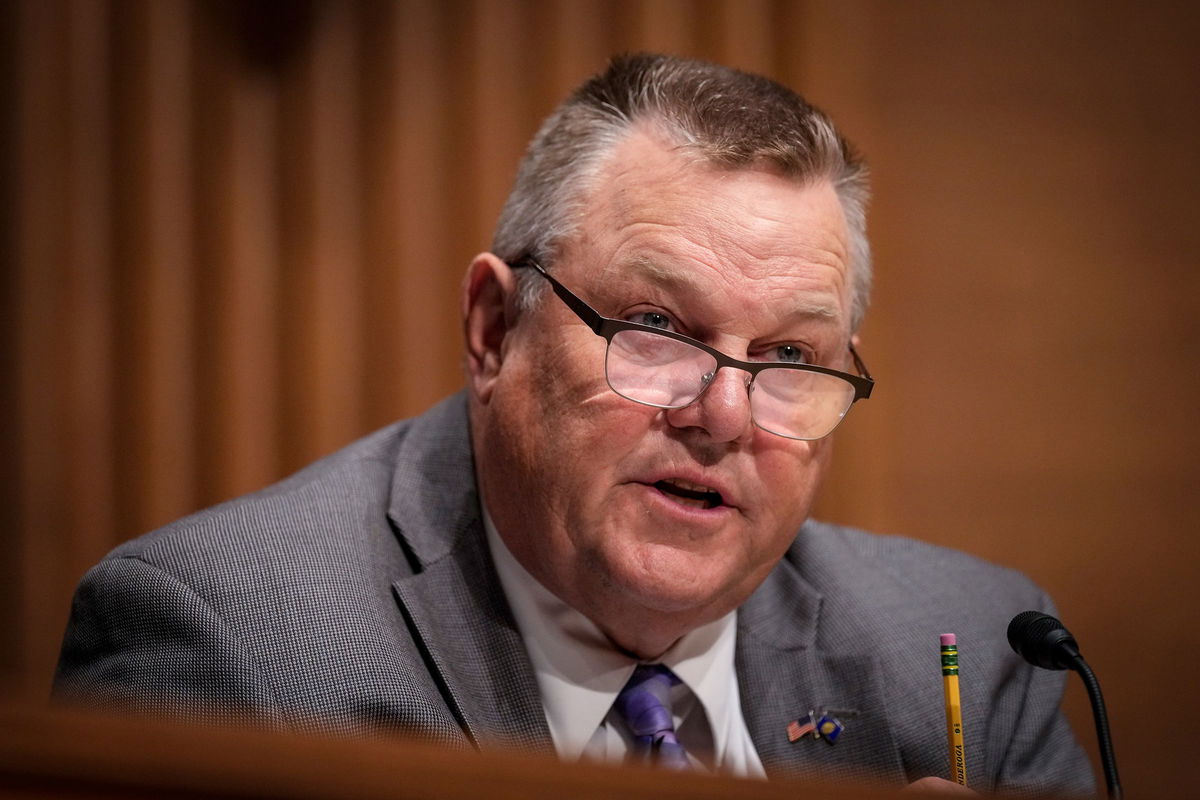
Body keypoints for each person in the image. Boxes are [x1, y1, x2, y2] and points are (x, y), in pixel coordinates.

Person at [54, 53, 1093, 794]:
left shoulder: (974, 648)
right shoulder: (231, 650)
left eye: (789, 358)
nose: (724, 412)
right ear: (495, 327)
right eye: (653, 326)